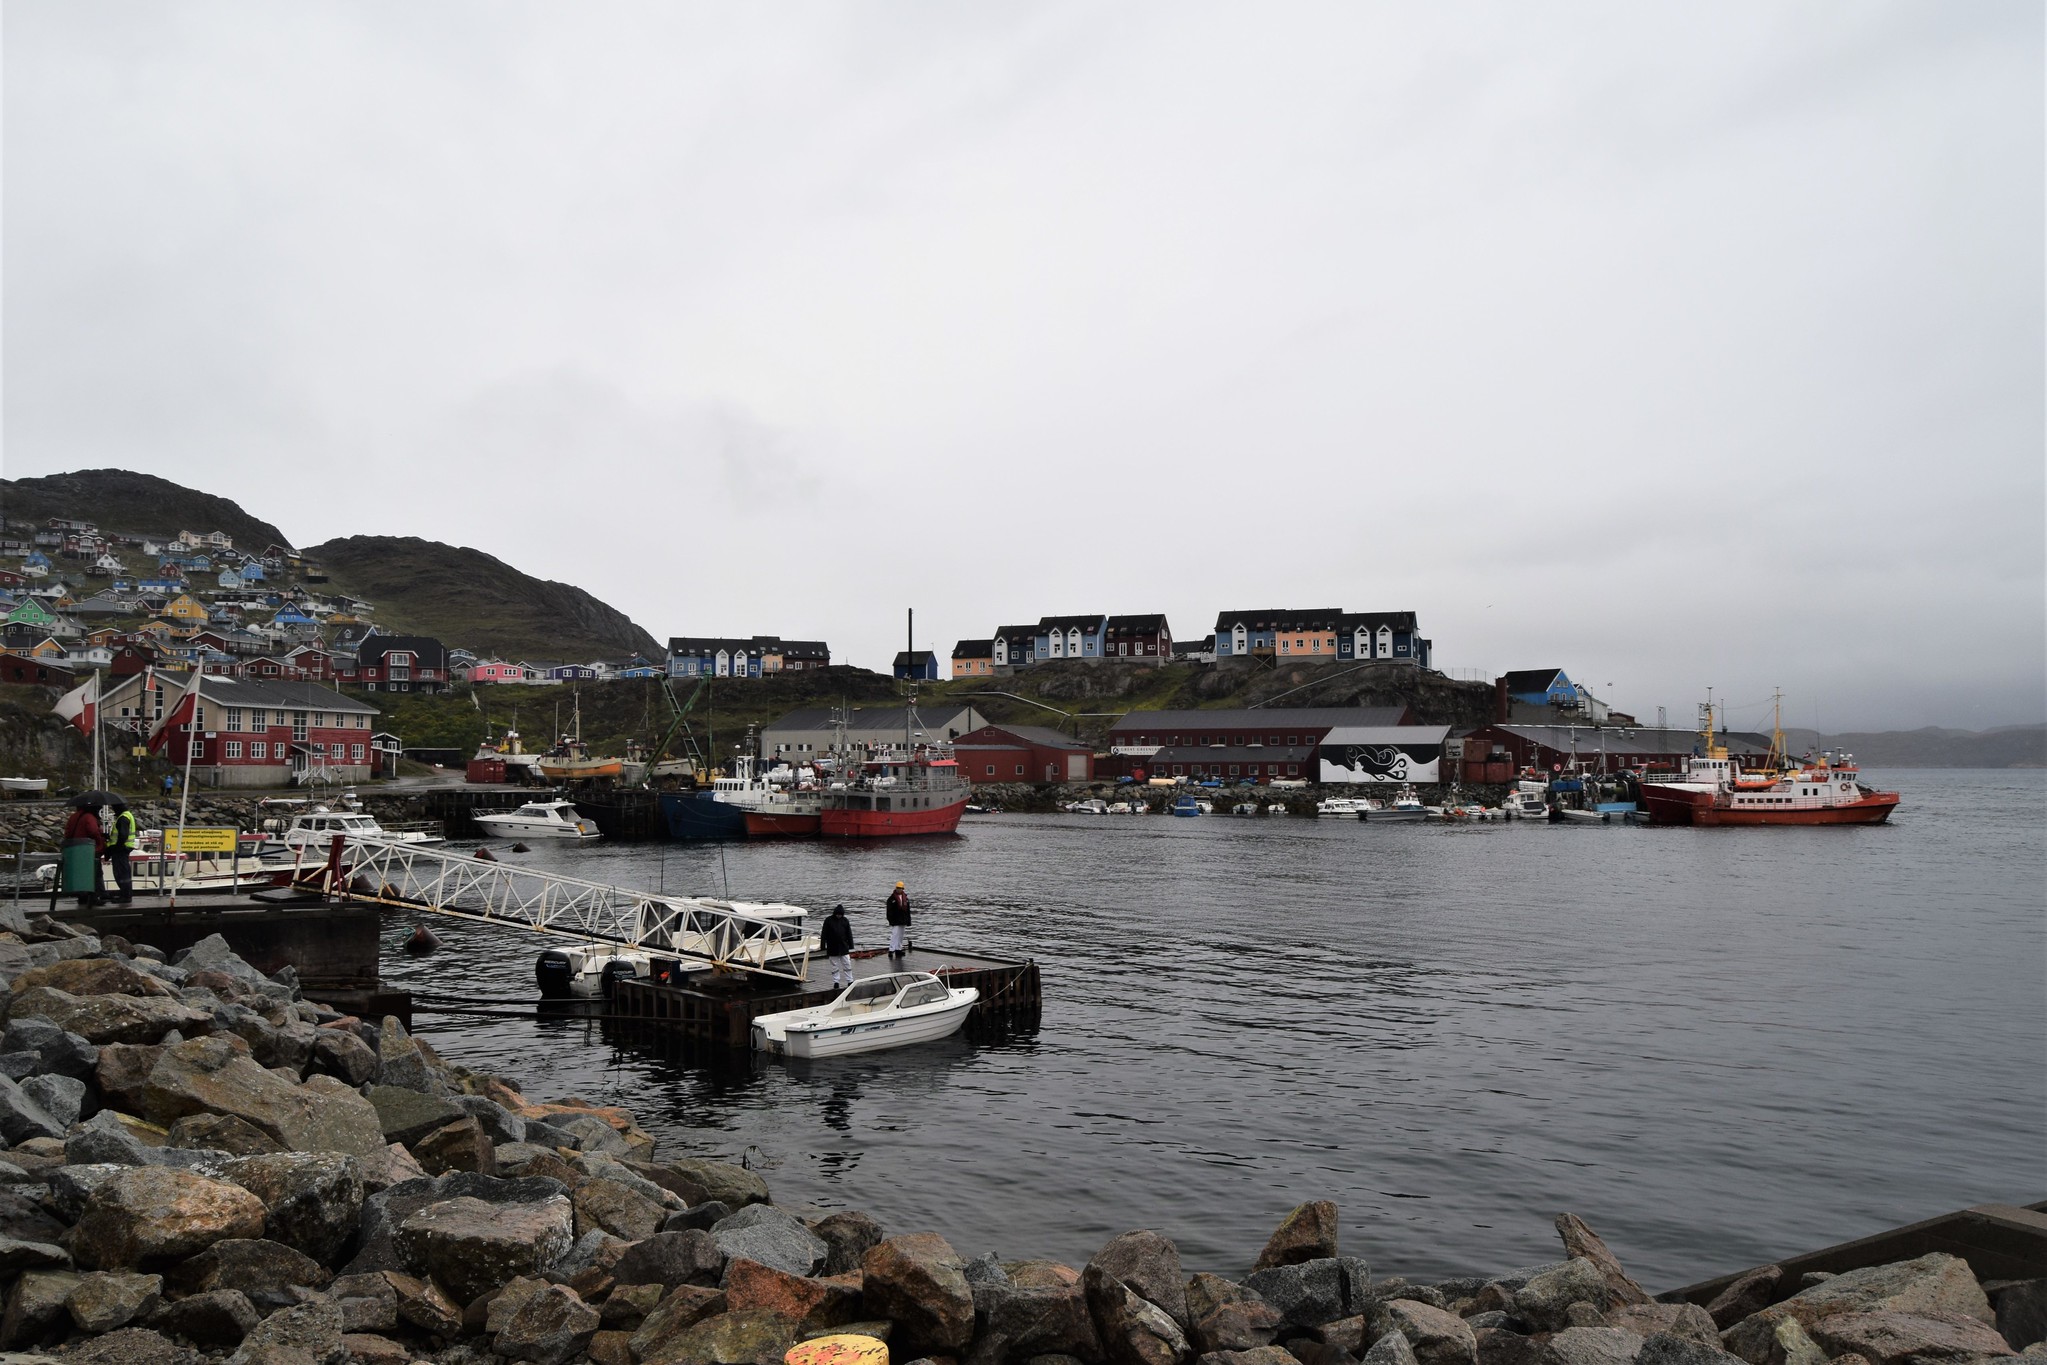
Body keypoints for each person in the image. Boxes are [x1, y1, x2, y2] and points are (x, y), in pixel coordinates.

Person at [59, 799, 105, 909]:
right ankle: (94, 897)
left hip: (75, 850)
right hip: (88, 850)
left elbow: (67, 832)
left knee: (81, 874)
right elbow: (93, 831)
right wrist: (100, 839)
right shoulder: (89, 817)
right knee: (95, 873)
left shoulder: (73, 817)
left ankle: (82, 896)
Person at [105, 798, 137, 903]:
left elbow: (123, 836)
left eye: (114, 808)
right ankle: (125, 894)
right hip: (124, 848)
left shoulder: (123, 818)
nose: (113, 810)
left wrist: (115, 848)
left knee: (121, 873)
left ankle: (125, 896)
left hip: (121, 849)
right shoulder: (127, 815)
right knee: (123, 873)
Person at [820, 904, 855, 988]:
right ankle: (836, 981)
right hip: (832, 947)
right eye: (838, 914)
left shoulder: (845, 920)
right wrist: (823, 946)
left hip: (843, 946)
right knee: (834, 966)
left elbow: (849, 933)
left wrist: (851, 945)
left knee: (847, 964)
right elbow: (824, 934)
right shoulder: (828, 920)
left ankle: (850, 980)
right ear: (835, 913)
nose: (839, 916)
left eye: (840, 914)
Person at [885, 880, 911, 958]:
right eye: (898, 888)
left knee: (901, 935)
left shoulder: (905, 898)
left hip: (903, 920)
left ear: (903, 889)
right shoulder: (891, 899)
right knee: (894, 934)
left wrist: (908, 921)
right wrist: (890, 920)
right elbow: (889, 911)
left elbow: (908, 911)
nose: (899, 889)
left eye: (900, 888)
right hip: (895, 920)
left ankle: (898, 949)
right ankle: (891, 949)